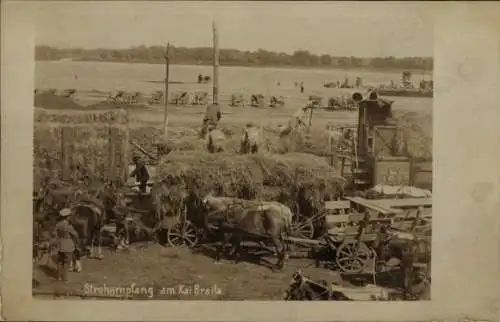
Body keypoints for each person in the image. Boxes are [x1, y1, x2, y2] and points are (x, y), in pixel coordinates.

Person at [55, 208, 81, 281]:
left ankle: (59, 276)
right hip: (68, 245)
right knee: (67, 262)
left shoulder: (58, 224)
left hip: (60, 244)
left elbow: (55, 234)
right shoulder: (68, 226)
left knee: (60, 261)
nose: (70, 217)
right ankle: (65, 278)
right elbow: (76, 235)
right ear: (67, 217)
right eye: (69, 216)